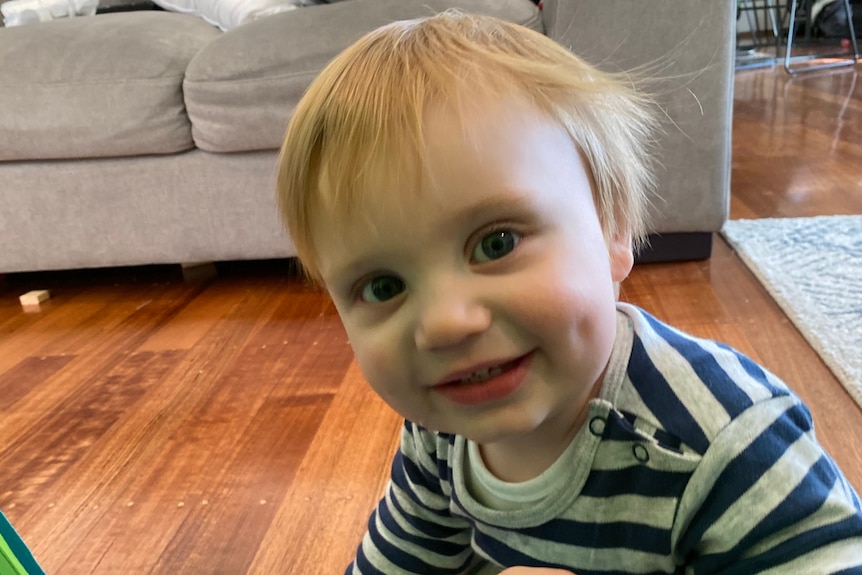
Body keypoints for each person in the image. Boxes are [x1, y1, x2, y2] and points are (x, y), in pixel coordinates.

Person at [275, 10, 862, 575]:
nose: (446, 323)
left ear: (612, 231)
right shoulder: (438, 430)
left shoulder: (729, 445)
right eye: (383, 286)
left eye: (497, 242)